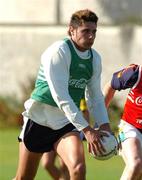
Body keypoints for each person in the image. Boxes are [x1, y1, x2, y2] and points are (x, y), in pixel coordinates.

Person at [14, 9, 111, 180]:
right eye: (85, 31)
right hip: (39, 119)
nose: (91, 36)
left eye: (94, 31)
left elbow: (95, 96)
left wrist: (104, 124)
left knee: (78, 169)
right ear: (71, 30)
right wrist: (87, 130)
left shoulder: (94, 58)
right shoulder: (59, 52)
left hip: (66, 122)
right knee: (23, 178)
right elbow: (62, 97)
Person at [104, 64, 142, 180]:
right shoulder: (135, 73)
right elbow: (110, 85)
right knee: (135, 164)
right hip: (131, 127)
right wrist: (100, 121)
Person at [41, 98, 89, 180]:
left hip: (68, 129)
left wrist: (85, 131)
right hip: (49, 126)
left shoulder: (76, 89)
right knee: (47, 163)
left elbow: (84, 111)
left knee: (65, 166)